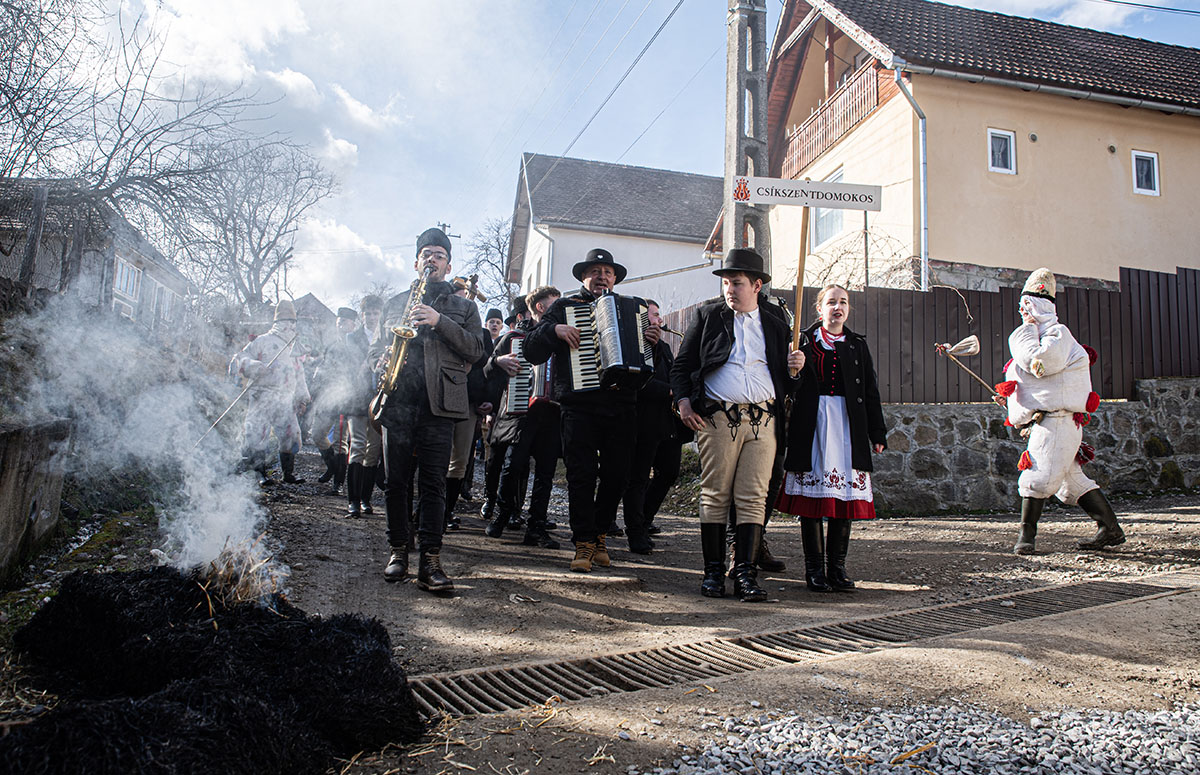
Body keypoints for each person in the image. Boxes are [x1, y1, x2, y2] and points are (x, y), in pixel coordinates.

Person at [671, 249, 804, 602]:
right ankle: (712, 573)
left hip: (763, 422)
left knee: (754, 497)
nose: (730, 289)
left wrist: (797, 367)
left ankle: (745, 574)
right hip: (716, 419)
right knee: (715, 494)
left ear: (757, 285)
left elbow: (789, 384)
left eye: (738, 283)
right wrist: (683, 403)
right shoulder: (708, 316)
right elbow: (681, 366)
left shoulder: (776, 322)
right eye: (727, 282)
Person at [524, 248, 660, 572]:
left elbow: (646, 363)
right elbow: (531, 348)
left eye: (608, 272)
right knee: (581, 475)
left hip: (622, 404)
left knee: (617, 476)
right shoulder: (564, 307)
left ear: (614, 278)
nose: (602, 276)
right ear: (583, 276)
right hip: (579, 405)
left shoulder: (633, 308)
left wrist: (650, 341)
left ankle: (599, 533)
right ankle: (584, 542)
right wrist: (552, 330)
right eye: (595, 271)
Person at [370, 228, 484, 593]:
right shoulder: (396, 302)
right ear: (416, 262)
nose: (431, 259)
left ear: (448, 266)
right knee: (396, 482)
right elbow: (375, 349)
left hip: (440, 404)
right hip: (398, 400)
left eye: (438, 254)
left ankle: (431, 560)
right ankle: (398, 552)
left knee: (433, 483)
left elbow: (476, 350)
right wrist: (380, 359)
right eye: (426, 254)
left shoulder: (464, 307)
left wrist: (439, 320)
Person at [994, 268, 1125, 555]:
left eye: (1025, 306)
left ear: (1036, 306)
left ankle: (1026, 537)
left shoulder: (1057, 335)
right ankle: (1110, 528)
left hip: (1059, 422)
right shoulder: (1047, 335)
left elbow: (1039, 362)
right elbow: (1034, 383)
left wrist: (1027, 329)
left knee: (1037, 478)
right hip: (1052, 422)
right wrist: (1013, 403)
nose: (1021, 312)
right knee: (1072, 482)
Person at [775, 284, 887, 593]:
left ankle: (837, 569)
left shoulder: (856, 345)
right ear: (820, 308)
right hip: (812, 424)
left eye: (843, 302)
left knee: (844, 499)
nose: (838, 307)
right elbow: (787, 385)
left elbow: (869, 391)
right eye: (831, 302)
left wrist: (877, 432)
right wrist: (793, 370)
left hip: (847, 426)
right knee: (811, 504)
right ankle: (815, 571)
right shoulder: (803, 341)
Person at [484, 286, 562, 549]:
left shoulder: (563, 336)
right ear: (540, 307)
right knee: (513, 465)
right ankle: (502, 514)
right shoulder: (514, 337)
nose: (560, 307)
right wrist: (497, 362)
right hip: (521, 413)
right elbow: (487, 369)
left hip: (553, 412)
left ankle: (536, 527)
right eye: (555, 303)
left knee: (546, 473)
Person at [230, 299, 311, 486]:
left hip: (286, 397)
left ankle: (288, 473)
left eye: (292, 322)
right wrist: (254, 366)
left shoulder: (295, 348)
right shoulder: (262, 341)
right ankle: (260, 473)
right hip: (262, 395)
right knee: (258, 433)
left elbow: (299, 374)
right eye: (284, 322)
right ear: (276, 323)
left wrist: (302, 397)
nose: (289, 326)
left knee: (291, 435)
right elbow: (240, 358)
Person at [621, 299, 677, 554]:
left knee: (669, 472)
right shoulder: (632, 344)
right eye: (649, 316)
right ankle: (635, 531)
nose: (655, 320)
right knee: (638, 478)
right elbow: (638, 383)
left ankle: (644, 519)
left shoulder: (664, 346)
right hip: (642, 422)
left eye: (656, 315)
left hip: (667, 423)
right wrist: (671, 391)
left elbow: (674, 374)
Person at [443, 287, 493, 530]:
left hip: (467, 401)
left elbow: (486, 370)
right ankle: (425, 510)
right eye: (460, 294)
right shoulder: (437, 324)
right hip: (439, 397)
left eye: (468, 295)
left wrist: (486, 399)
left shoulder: (481, 334)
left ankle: (446, 512)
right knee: (433, 458)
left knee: (460, 460)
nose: (465, 298)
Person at [311, 307, 360, 495]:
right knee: (317, 434)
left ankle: (338, 482)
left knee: (341, 442)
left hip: (345, 397)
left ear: (353, 325)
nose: (341, 324)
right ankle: (332, 467)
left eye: (345, 321)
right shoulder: (330, 344)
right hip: (327, 396)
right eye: (339, 321)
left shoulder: (355, 344)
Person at [345, 295, 384, 516]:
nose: (371, 317)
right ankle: (353, 500)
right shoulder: (353, 338)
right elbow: (351, 365)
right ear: (362, 315)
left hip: (379, 397)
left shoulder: (386, 336)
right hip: (358, 396)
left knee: (374, 449)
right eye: (368, 313)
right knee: (357, 445)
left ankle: (366, 500)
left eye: (375, 313)